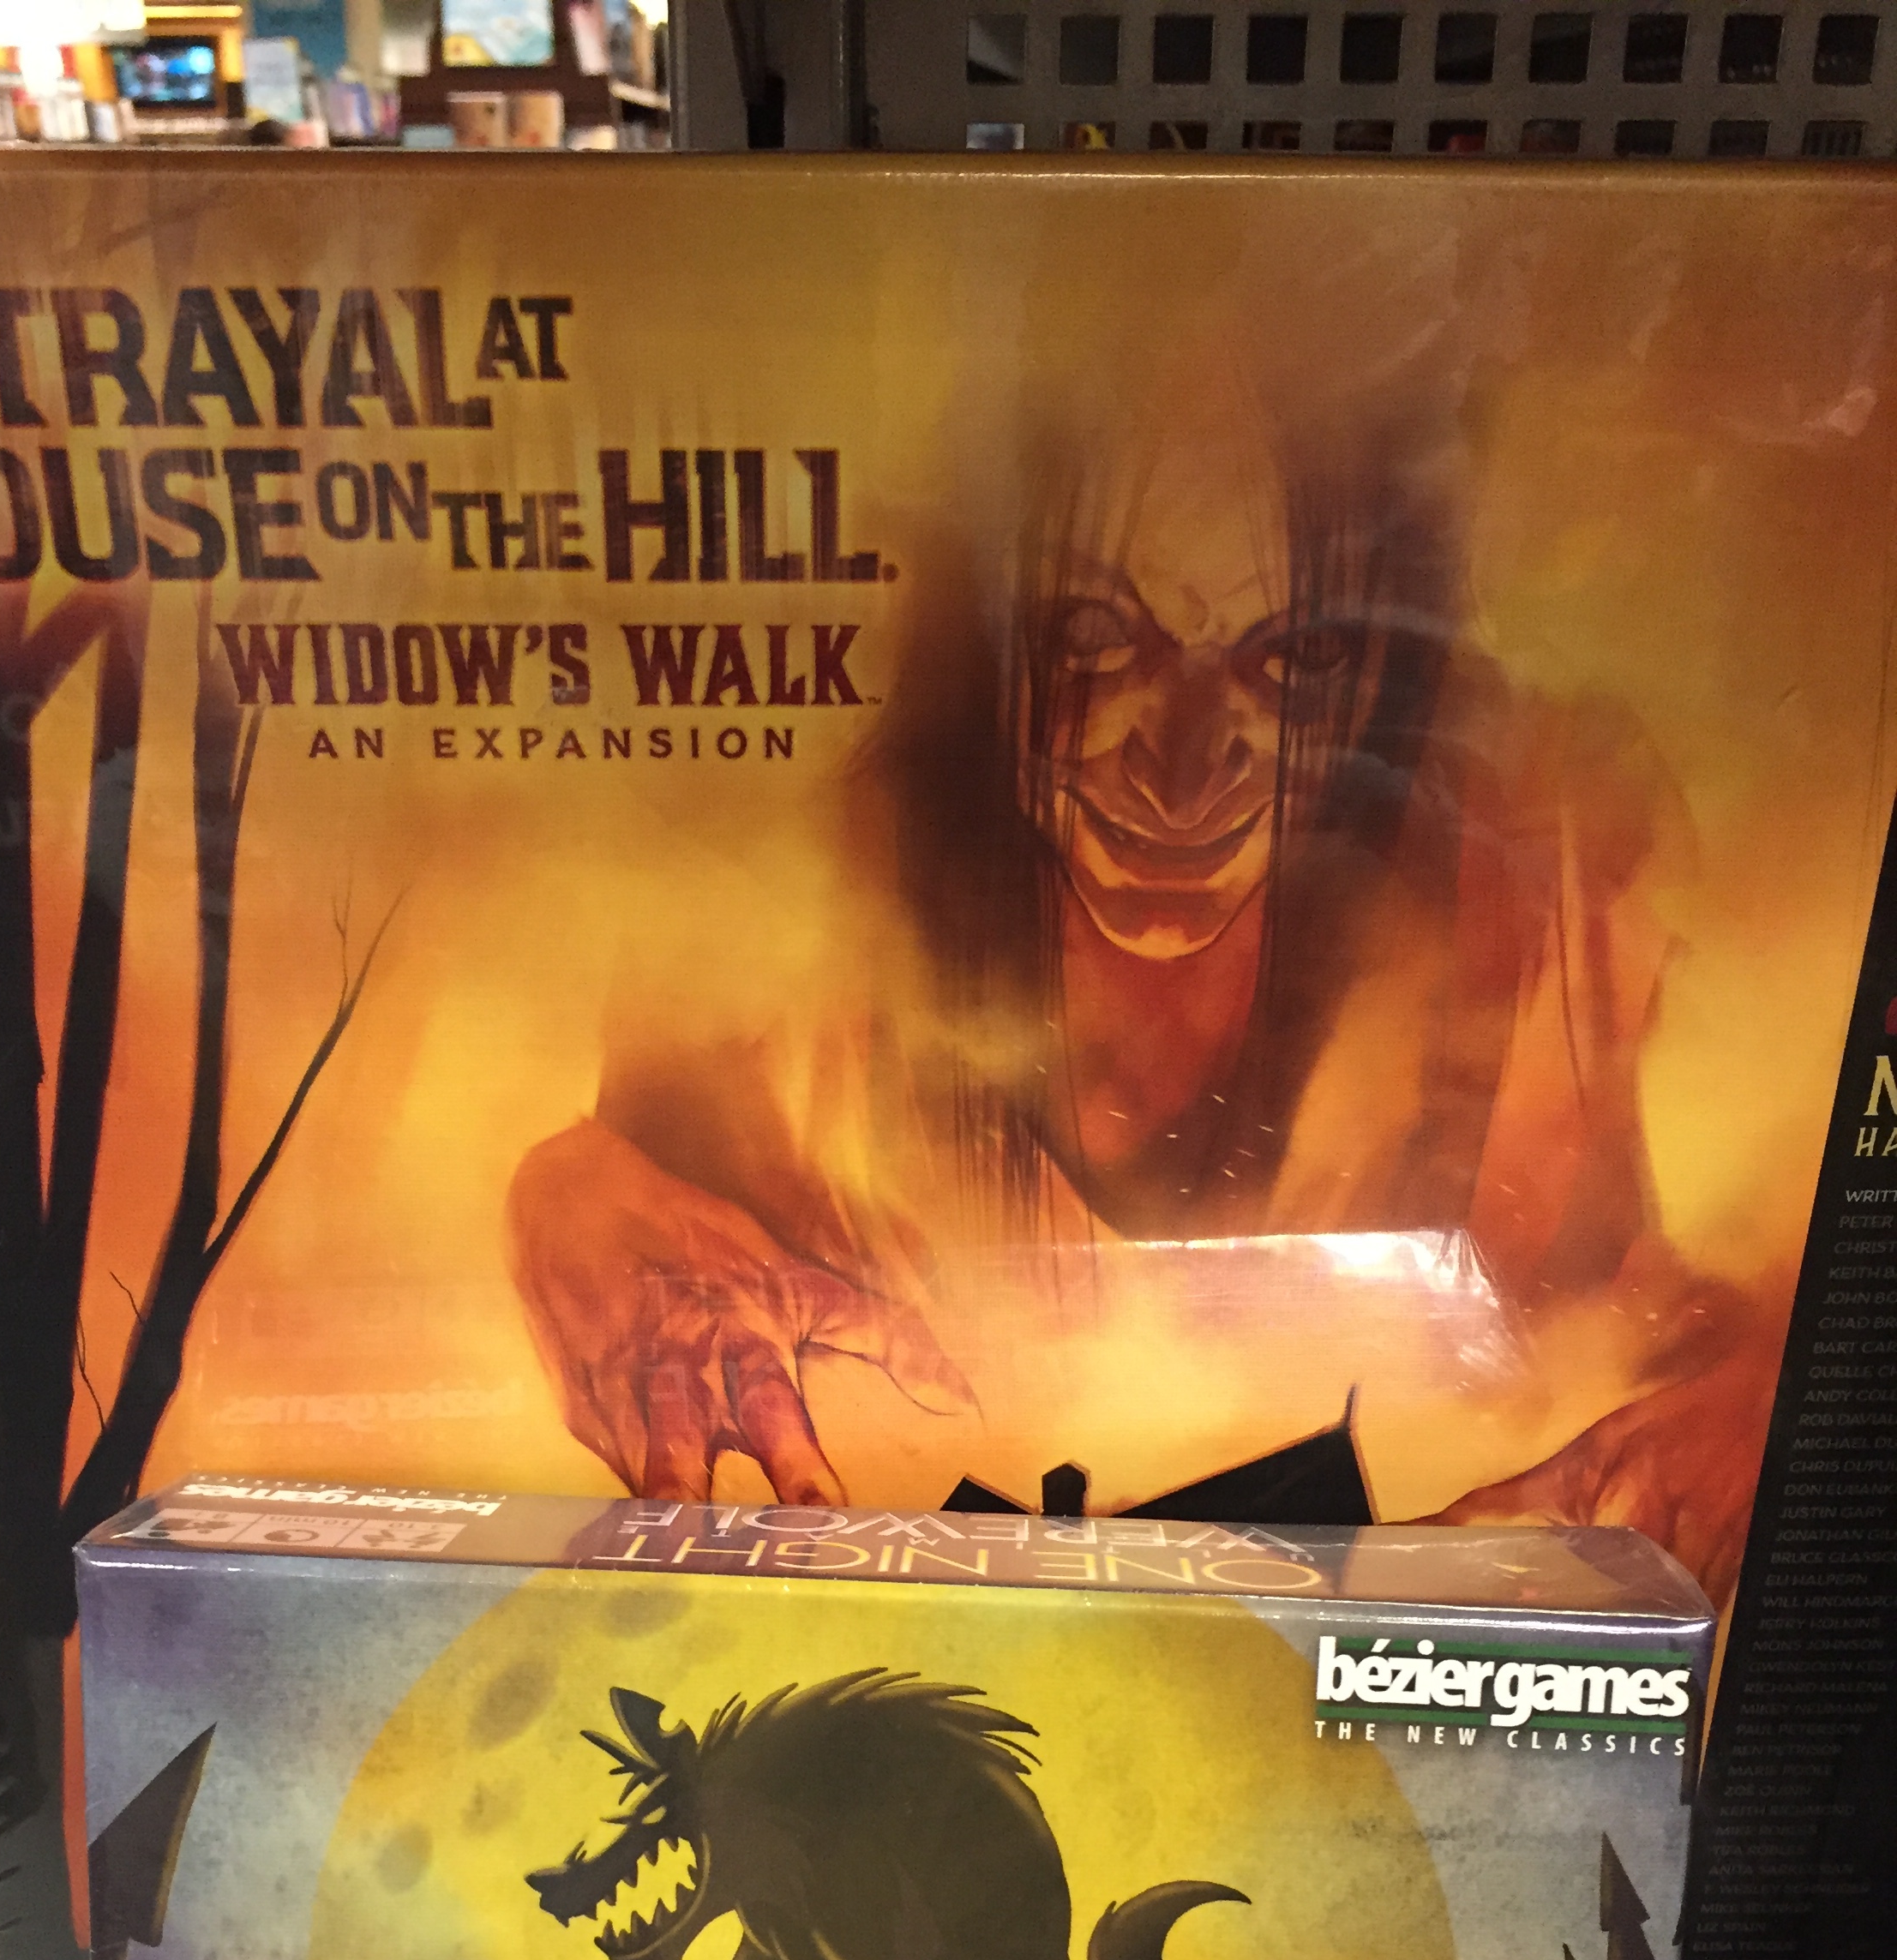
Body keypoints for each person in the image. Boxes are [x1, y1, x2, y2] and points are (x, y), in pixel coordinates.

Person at [507, 411, 1780, 1603]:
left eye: (1298, 656)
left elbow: (1781, 1245)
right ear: (980, 640)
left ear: (1387, 673)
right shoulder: (786, 950)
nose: (1182, 767)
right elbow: (608, 1218)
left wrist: (1774, 1394)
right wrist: (557, 1194)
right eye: (1091, 639)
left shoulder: (1550, 890)